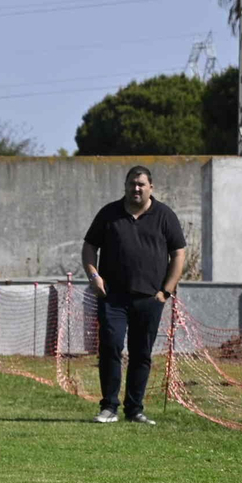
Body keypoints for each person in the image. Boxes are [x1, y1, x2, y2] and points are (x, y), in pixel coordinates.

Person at [80, 165, 187, 425]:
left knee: (141, 353)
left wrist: (166, 291)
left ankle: (135, 409)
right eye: (132, 184)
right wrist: (94, 277)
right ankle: (109, 408)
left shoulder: (165, 216)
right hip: (113, 298)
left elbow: (179, 254)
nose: (136, 188)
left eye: (141, 184)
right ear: (125, 186)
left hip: (149, 299)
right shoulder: (109, 214)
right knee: (111, 347)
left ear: (151, 187)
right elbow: (89, 247)